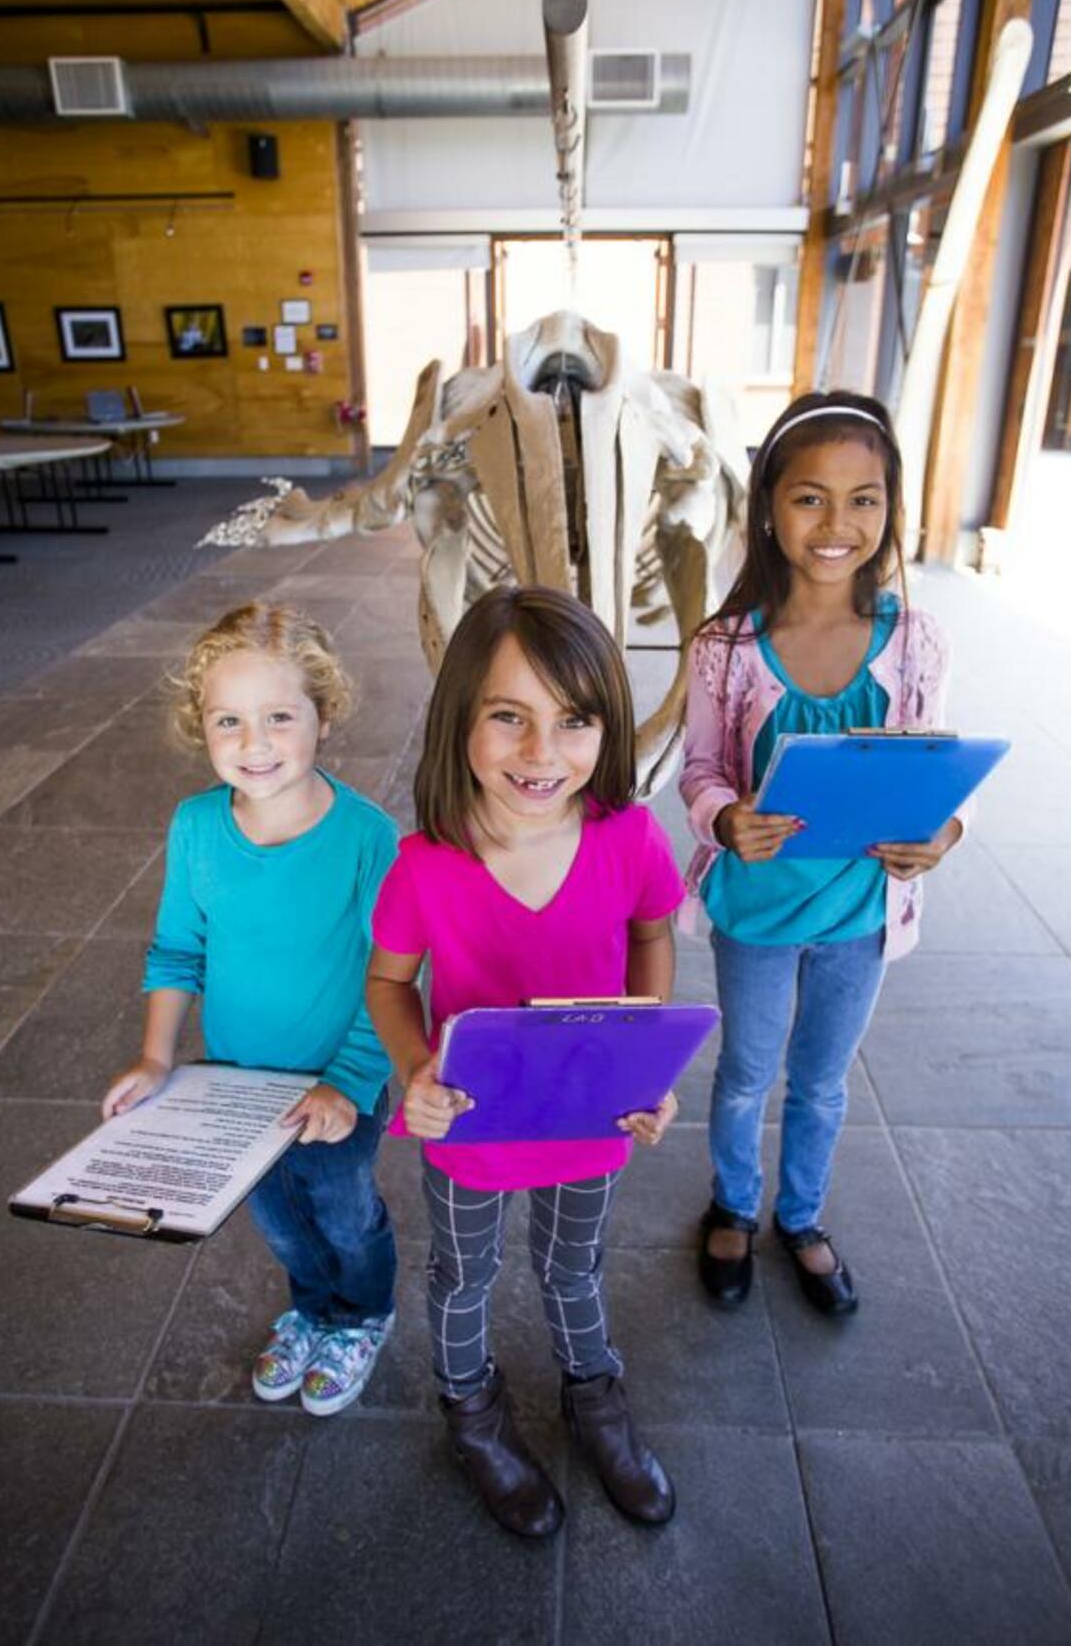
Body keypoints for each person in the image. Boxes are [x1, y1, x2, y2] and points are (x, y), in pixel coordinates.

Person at [366, 586, 684, 1538]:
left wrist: (646, 1057)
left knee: (574, 1267)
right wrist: (416, 1065)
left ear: (607, 727)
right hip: (470, 1124)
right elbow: (388, 983)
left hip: (588, 1116)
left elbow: (653, 930)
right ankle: (471, 1415)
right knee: (464, 1274)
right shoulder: (423, 863)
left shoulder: (628, 835)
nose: (543, 753)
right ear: (459, 718)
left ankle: (596, 1398)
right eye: (510, 717)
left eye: (573, 720)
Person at [681, 391, 963, 1318]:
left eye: (865, 499)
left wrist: (943, 834)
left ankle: (800, 1215)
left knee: (822, 1079)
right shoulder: (726, 646)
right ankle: (732, 1203)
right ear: (768, 506)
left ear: (889, 509)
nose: (839, 524)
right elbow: (701, 768)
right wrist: (725, 820)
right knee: (748, 1073)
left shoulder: (913, 640)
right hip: (757, 910)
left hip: (859, 916)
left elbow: (934, 768)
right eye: (810, 497)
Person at [102, 602, 398, 1415]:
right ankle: (312, 1308)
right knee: (277, 1218)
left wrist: (348, 1079)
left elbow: (393, 974)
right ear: (199, 726)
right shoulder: (196, 826)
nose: (253, 743)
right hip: (234, 1084)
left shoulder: (370, 838)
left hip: (343, 1080)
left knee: (343, 1210)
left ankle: (363, 1314)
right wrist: (158, 1055)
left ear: (323, 718)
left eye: (278, 717)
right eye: (227, 720)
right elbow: (176, 951)